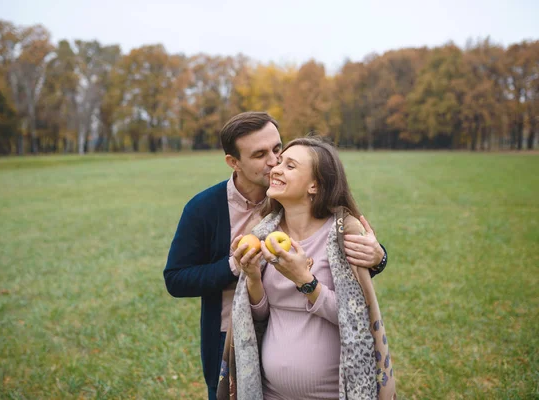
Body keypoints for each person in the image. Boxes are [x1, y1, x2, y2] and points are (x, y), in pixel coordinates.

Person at [164, 112, 389, 400]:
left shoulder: (303, 206)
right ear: (234, 162)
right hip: (229, 337)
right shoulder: (203, 208)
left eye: (277, 150)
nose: (273, 162)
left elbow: (351, 281)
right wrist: (237, 267)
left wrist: (379, 257)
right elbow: (175, 279)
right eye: (260, 155)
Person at [225, 136, 396, 399]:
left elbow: (356, 319)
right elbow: (259, 317)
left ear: (315, 185)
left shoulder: (343, 236)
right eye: (279, 162)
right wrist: (253, 278)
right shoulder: (263, 234)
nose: (276, 169)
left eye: (290, 166)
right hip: (272, 393)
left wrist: (306, 281)